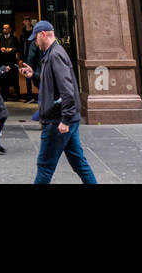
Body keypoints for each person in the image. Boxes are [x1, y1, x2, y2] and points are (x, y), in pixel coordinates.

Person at [19, 20, 96, 184]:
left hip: (57, 121)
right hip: (65, 119)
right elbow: (52, 84)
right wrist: (34, 75)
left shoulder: (55, 55)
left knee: (45, 166)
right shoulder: (52, 54)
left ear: (43, 34)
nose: (35, 42)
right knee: (79, 163)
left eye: (36, 38)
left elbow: (67, 90)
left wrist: (65, 119)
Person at [0, 23, 21, 100]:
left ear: (10, 29)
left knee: (14, 78)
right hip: (3, 61)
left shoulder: (14, 38)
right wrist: (1, 49)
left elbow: (18, 48)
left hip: (11, 61)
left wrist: (11, 49)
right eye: (4, 28)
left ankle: (17, 95)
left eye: (6, 28)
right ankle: (4, 96)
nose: (5, 30)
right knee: (3, 79)